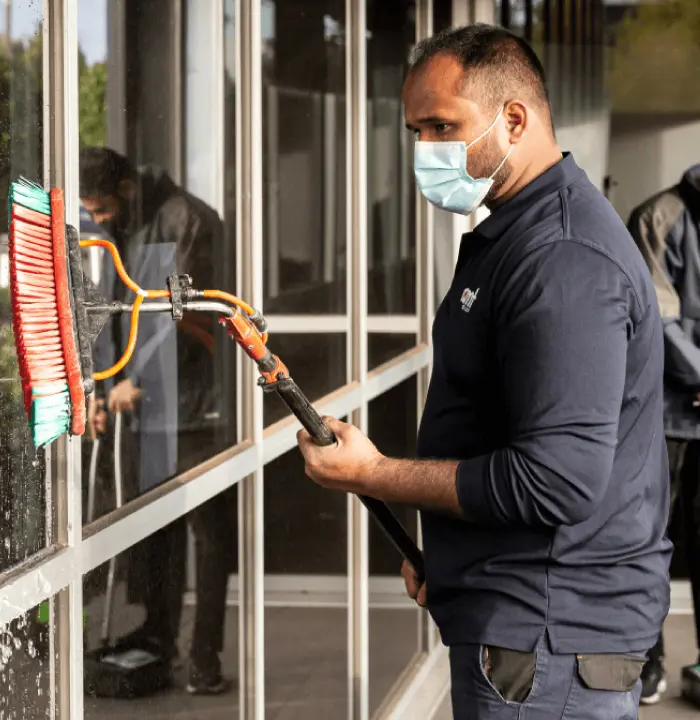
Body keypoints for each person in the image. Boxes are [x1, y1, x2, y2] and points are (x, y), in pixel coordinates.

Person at [297, 24, 671, 720]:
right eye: (415, 130)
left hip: (548, 646)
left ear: (515, 118)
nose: (425, 151)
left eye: (442, 126)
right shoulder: (519, 232)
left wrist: (372, 472)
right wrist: (458, 552)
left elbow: (554, 480)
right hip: (530, 630)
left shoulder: (561, 260)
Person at [81, 147, 237, 695]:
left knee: (210, 535)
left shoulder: (186, 218)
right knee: (156, 532)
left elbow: (185, 316)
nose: (94, 218)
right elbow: (109, 311)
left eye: (99, 208)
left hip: (197, 408)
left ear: (124, 190)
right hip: (144, 409)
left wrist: (134, 381)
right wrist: (102, 388)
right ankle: (157, 639)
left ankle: (204, 659)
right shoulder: (120, 226)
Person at [628, 164, 700, 705]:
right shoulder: (661, 216)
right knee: (649, 541)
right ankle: (646, 660)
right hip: (668, 415)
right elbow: (658, 316)